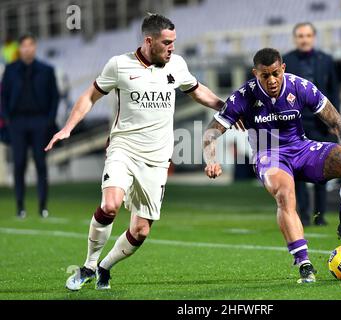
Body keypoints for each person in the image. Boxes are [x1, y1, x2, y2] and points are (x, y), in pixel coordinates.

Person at [45, 13, 232, 291]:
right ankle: (88, 265)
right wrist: (69, 127)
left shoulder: (177, 64)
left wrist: (224, 107)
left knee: (140, 231)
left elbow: (196, 90)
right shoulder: (119, 65)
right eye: (167, 42)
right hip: (123, 149)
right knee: (110, 205)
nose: (172, 48)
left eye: (174, 42)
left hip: (157, 160)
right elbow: (89, 96)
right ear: (149, 41)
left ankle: (105, 267)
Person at [203, 48, 341, 284]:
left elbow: (337, 123)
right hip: (268, 155)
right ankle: (303, 262)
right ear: (255, 73)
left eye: (275, 73)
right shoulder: (244, 95)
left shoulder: (300, 86)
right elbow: (211, 131)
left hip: (301, 148)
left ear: (283, 69)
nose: (272, 80)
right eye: (264, 76)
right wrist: (211, 159)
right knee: (285, 194)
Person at [283, 22, 341, 226]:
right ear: (295, 38)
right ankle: (304, 215)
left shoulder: (326, 60)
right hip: (294, 125)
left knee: (322, 170)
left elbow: (334, 92)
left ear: (314, 37)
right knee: (297, 172)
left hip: (321, 124)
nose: (304, 39)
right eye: (300, 36)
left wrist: (335, 121)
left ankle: (320, 215)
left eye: (307, 35)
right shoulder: (286, 61)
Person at [1, 34, 59, 219]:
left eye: (30, 45)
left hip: (39, 122)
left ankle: (43, 206)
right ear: (20, 49)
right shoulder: (10, 70)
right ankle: (20, 207)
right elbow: (2, 96)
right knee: (19, 164)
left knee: (41, 164)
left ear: (34, 47)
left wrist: (49, 120)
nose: (27, 49)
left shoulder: (46, 70)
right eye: (23, 46)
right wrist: (7, 119)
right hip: (17, 122)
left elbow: (54, 97)